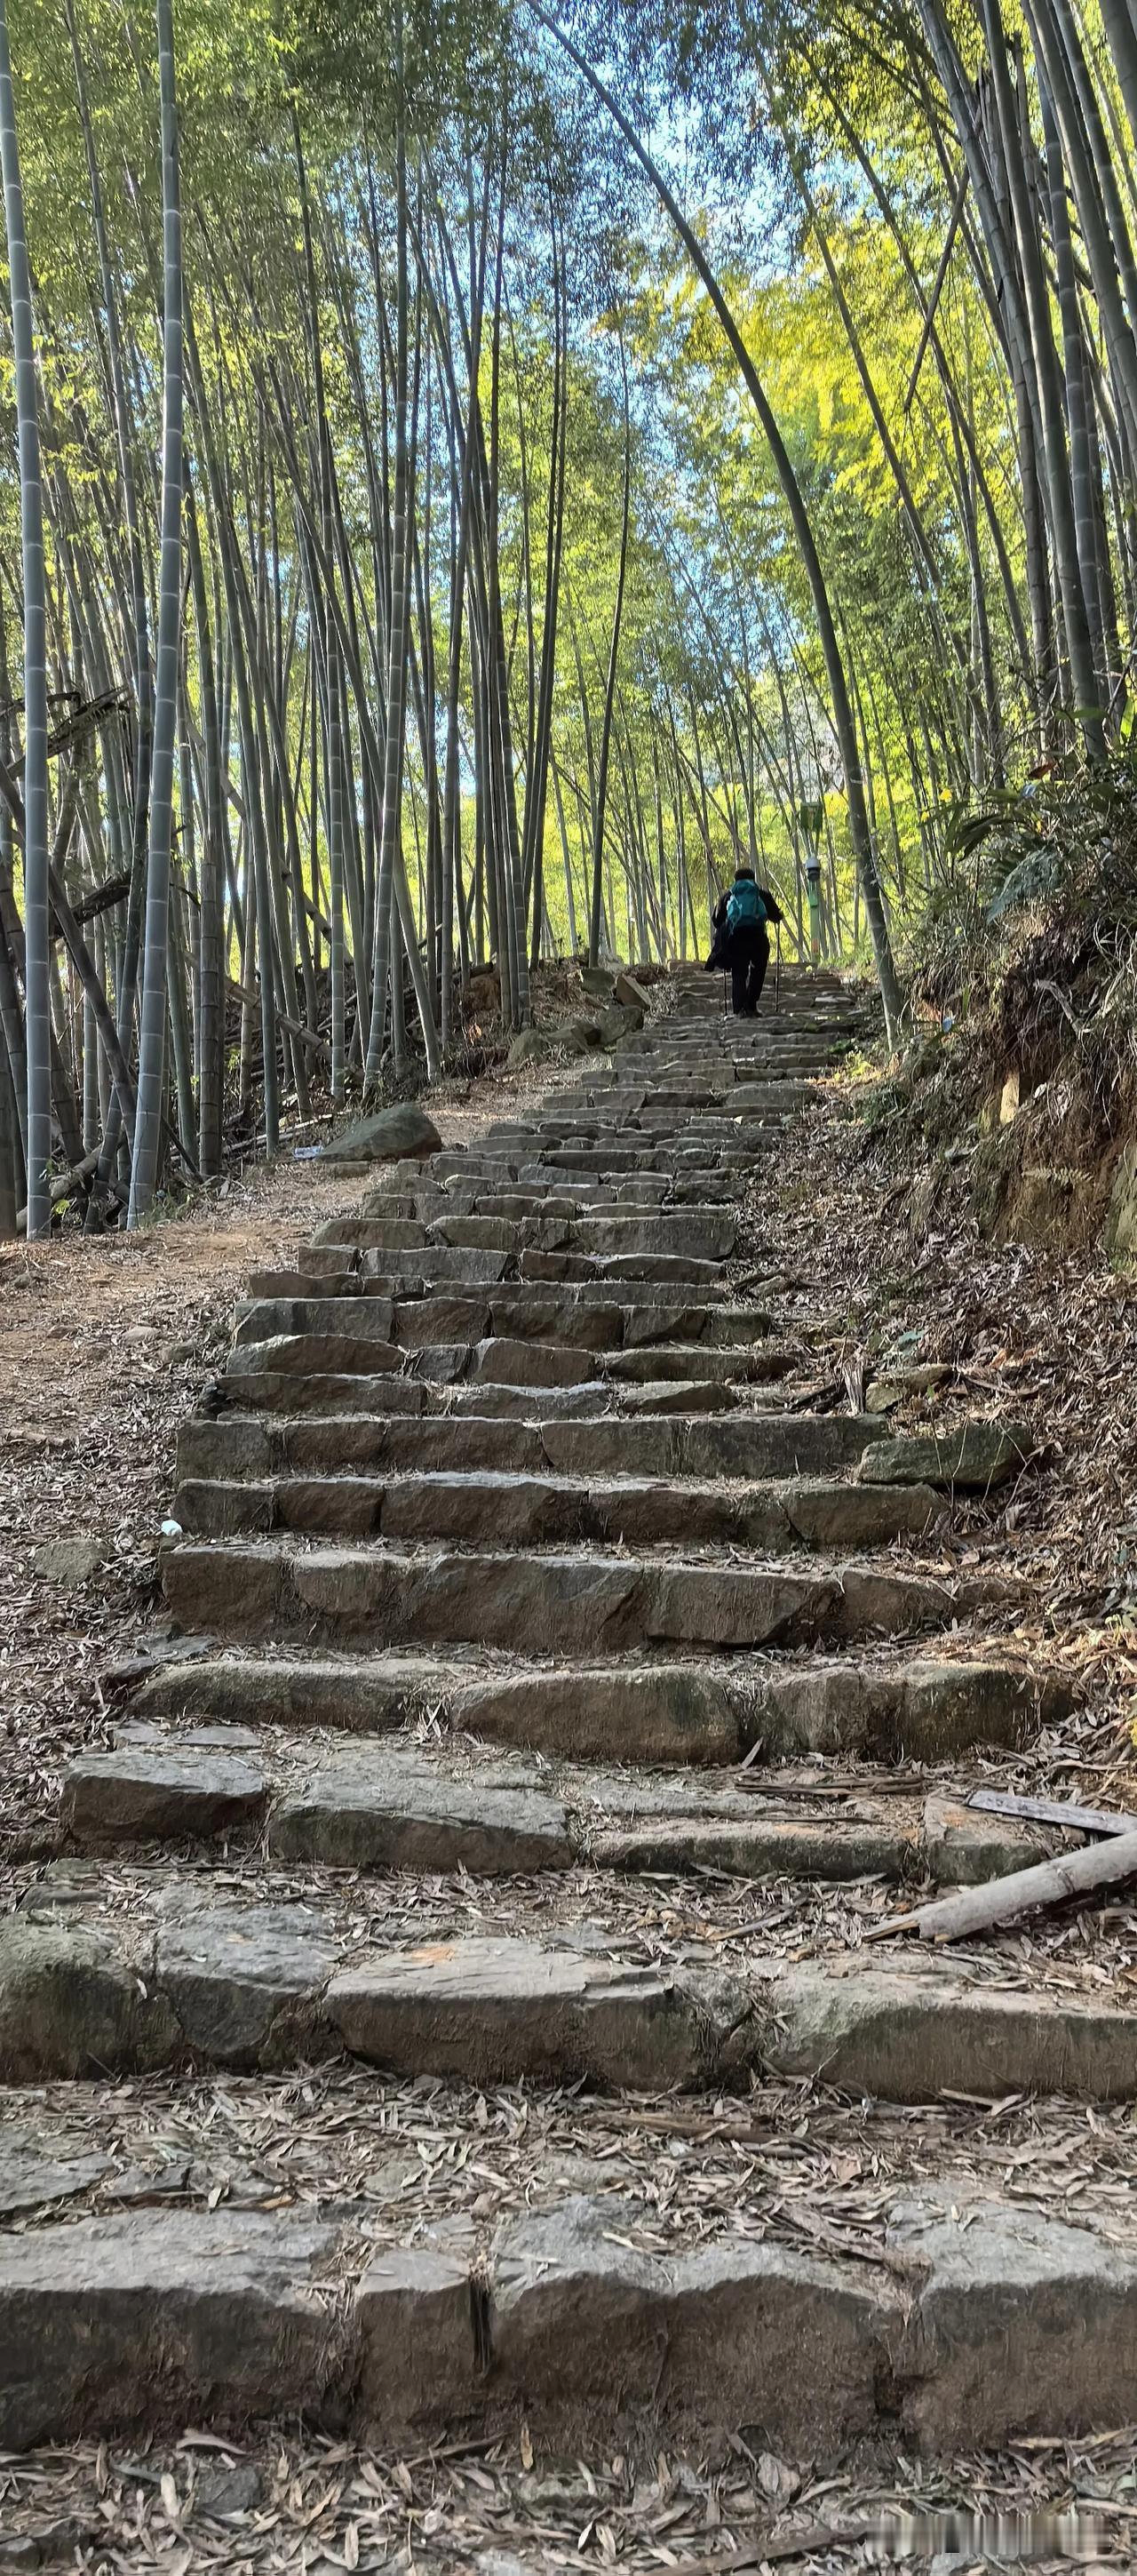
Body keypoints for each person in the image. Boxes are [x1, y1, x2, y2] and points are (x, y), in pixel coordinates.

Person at [707, 865, 784, 1016]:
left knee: (739, 972)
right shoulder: (761, 894)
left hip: (736, 939)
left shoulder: (728, 896)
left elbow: (717, 921)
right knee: (758, 970)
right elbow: (776, 917)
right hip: (757, 938)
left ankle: (738, 1009)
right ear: (753, 879)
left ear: (736, 881)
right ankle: (751, 1005)